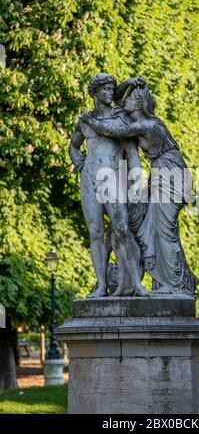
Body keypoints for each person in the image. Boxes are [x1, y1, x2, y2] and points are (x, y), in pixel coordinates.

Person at [82, 82, 198, 296]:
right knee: (154, 227)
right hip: (160, 170)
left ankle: (175, 284)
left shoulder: (144, 126)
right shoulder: (138, 119)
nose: (120, 99)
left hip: (170, 173)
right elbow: (112, 101)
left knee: (165, 229)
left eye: (127, 97)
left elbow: (111, 129)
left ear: (137, 103)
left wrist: (90, 120)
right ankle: (169, 282)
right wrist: (128, 83)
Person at [69, 73, 149, 297]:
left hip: (112, 178)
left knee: (123, 230)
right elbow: (74, 146)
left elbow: (133, 153)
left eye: (112, 88)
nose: (110, 93)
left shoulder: (120, 119)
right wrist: (80, 163)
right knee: (95, 233)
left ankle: (137, 284)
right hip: (89, 179)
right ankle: (102, 285)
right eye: (105, 89)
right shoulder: (85, 120)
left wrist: (135, 181)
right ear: (94, 93)